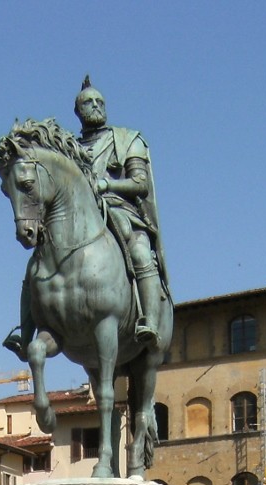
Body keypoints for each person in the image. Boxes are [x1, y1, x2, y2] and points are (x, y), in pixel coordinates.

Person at [74, 75, 167, 345]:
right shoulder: (71, 148)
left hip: (121, 210)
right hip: (80, 218)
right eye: (88, 103)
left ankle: (149, 320)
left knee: (139, 251)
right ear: (78, 111)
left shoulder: (127, 139)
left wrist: (108, 184)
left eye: (99, 101)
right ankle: (27, 329)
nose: (95, 106)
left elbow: (140, 183)